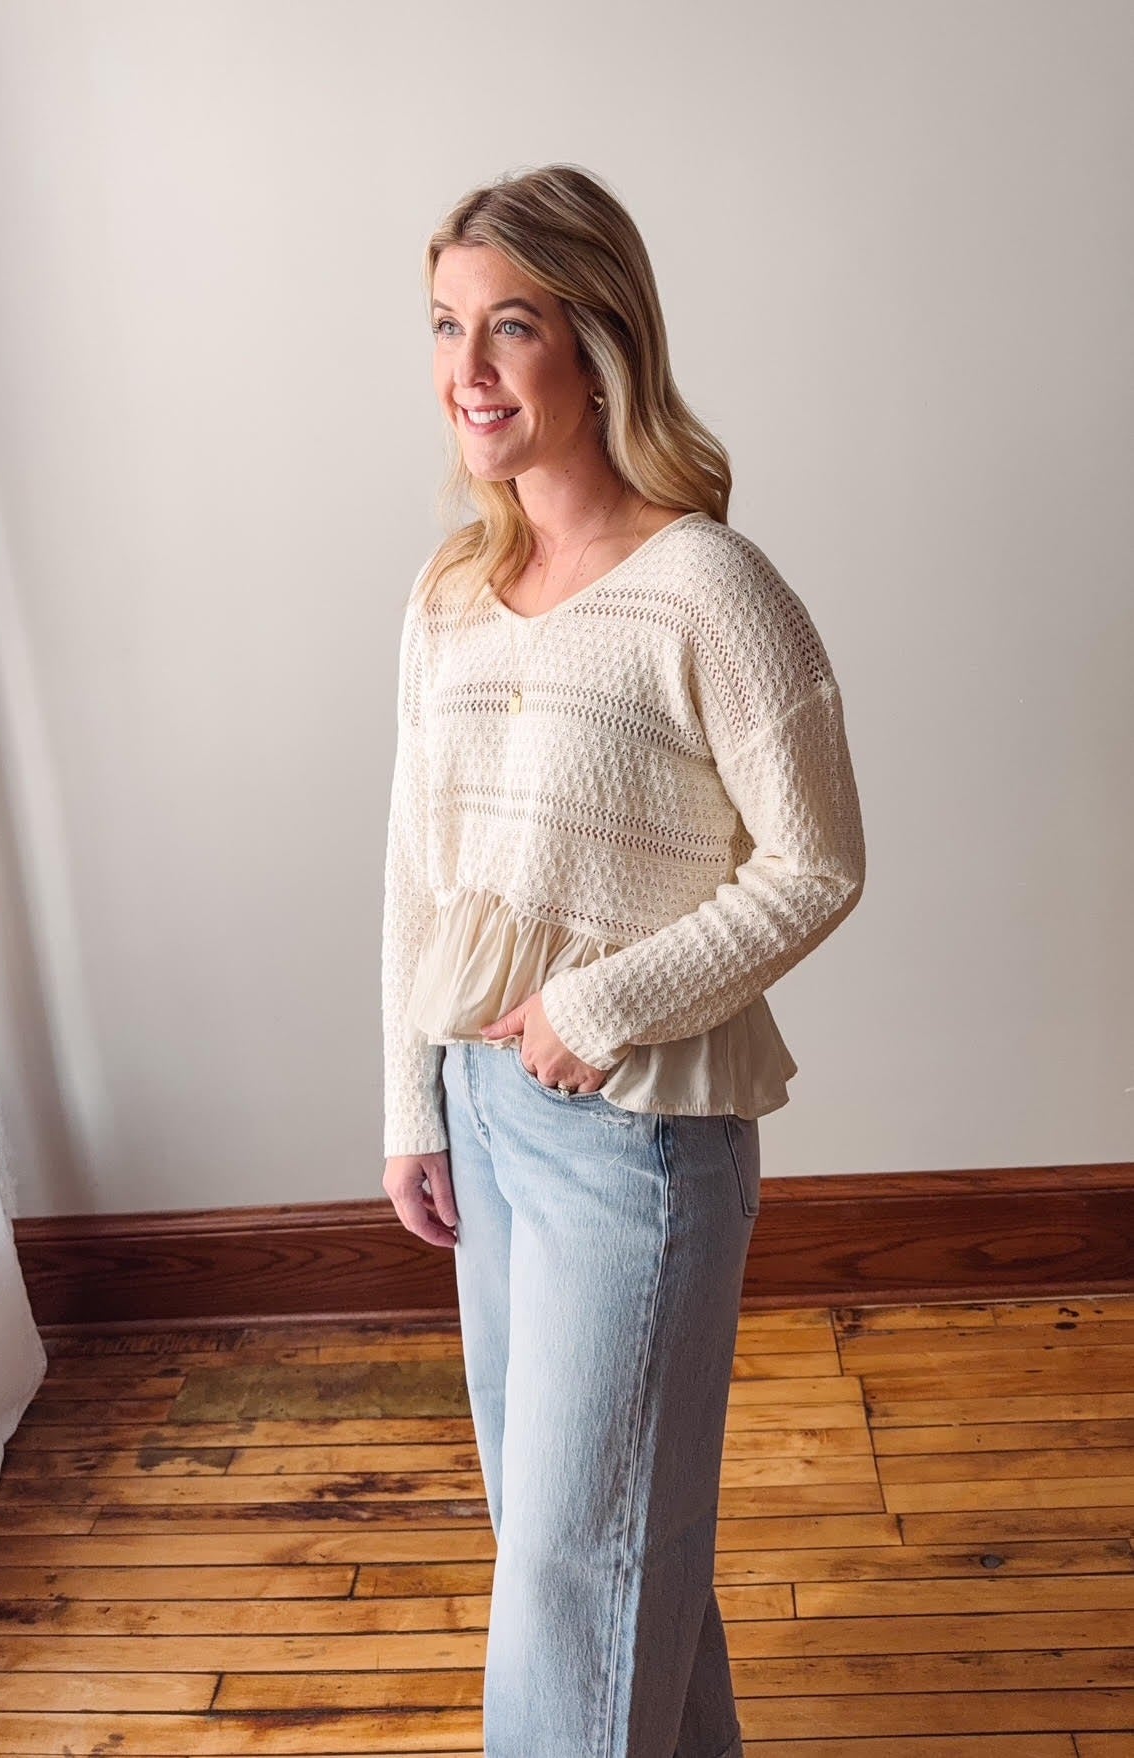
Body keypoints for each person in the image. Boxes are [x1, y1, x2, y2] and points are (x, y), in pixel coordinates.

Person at [380, 163, 865, 1758]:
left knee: (579, 1577)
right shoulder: (450, 596)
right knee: (586, 1549)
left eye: (508, 326)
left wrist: (599, 1002)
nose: (467, 367)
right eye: (447, 324)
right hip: (485, 1111)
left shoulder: (710, 588)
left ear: (596, 347)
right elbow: (413, 861)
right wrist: (413, 1093)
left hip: (637, 1135)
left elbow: (819, 862)